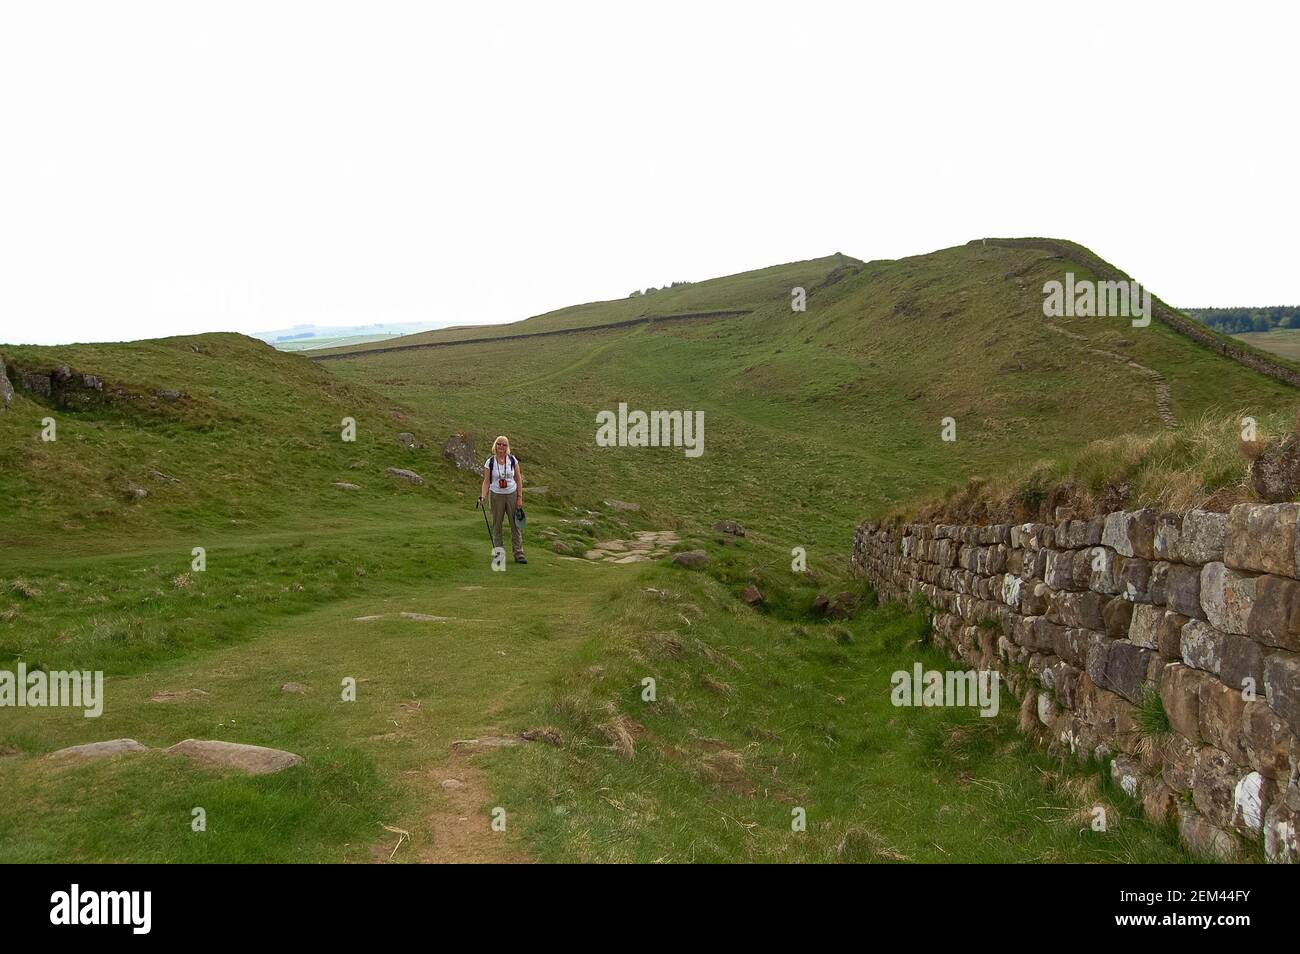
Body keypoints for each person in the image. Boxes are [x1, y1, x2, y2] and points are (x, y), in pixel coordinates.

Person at [479, 435, 526, 564]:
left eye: (504, 445)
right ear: (495, 445)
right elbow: (486, 481)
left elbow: (518, 479)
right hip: (496, 496)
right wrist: (483, 496)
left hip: (512, 494)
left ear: (507, 447)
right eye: (499, 444)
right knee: (497, 526)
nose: (501, 447)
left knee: (515, 525)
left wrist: (519, 498)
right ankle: (499, 556)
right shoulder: (490, 462)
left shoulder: (512, 460)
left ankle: (519, 553)